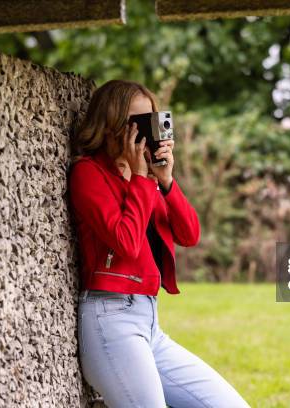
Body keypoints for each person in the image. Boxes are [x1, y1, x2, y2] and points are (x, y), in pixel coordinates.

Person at [68, 79, 250, 408]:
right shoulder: (89, 173)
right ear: (111, 125)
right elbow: (125, 242)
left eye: (150, 121)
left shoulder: (149, 181)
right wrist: (139, 179)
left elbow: (189, 234)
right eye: (136, 124)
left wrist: (165, 182)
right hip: (111, 321)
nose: (146, 134)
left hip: (149, 322)